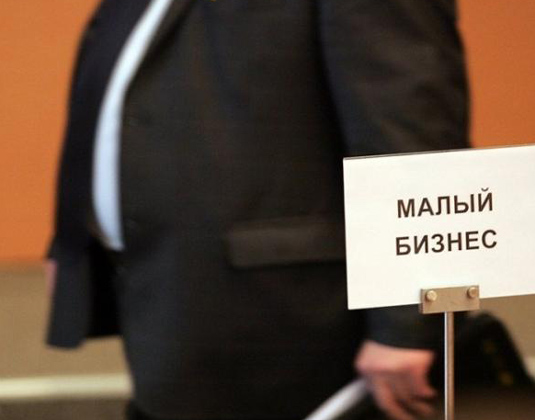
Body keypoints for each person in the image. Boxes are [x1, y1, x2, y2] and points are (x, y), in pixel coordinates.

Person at [46, 1, 470, 419]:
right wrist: (71, 241)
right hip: (170, 293)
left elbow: (415, 139)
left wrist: (411, 323)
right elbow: (113, 90)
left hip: (295, 320)